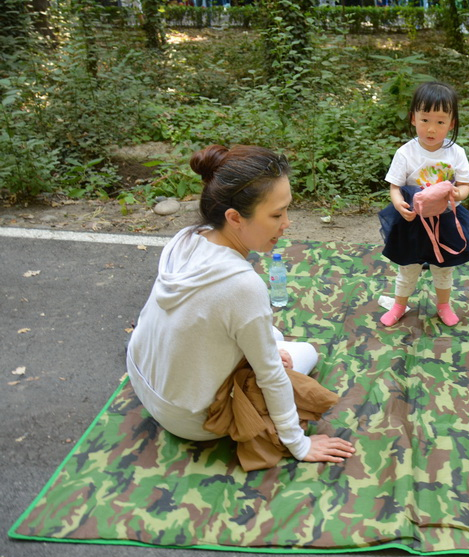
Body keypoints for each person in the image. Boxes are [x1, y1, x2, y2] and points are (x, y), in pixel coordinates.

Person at [126, 144, 355, 465]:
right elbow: (272, 376)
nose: (287, 223)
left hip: (142, 379)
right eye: (276, 214)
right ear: (234, 217)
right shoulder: (242, 286)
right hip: (191, 420)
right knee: (304, 353)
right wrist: (298, 444)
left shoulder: (187, 238)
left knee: (270, 340)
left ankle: (266, 348)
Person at [379, 81, 469, 327]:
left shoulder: (456, 153)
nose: (431, 128)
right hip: (412, 221)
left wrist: (457, 192)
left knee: (443, 268)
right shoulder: (406, 153)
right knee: (408, 266)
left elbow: (465, 185)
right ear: (413, 118)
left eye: (440, 122)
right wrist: (400, 204)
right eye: (425, 120)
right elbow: (394, 186)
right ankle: (399, 305)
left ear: (451, 123)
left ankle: (444, 306)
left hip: (444, 220)